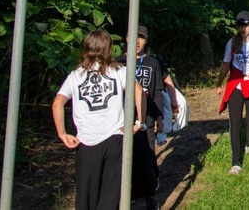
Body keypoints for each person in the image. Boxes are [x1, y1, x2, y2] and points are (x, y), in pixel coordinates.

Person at [52, 29, 146, 210]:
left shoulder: (75, 76)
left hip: (86, 141)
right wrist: (138, 122)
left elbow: (58, 103)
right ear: (108, 48)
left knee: (86, 196)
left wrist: (62, 134)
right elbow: (139, 91)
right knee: (111, 193)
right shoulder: (118, 71)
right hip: (115, 138)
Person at [117, 23, 165, 209]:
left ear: (146, 40)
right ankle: (130, 193)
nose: (137, 41)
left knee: (146, 158)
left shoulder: (153, 63)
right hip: (122, 120)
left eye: (141, 37)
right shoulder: (117, 62)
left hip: (147, 119)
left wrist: (159, 117)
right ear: (126, 38)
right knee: (125, 158)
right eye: (133, 36)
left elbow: (158, 91)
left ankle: (150, 196)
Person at [217, 11, 249, 175]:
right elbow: (226, 65)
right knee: (235, 123)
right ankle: (236, 162)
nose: (243, 28)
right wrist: (219, 84)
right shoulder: (232, 43)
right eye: (240, 25)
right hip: (236, 85)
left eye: (245, 24)